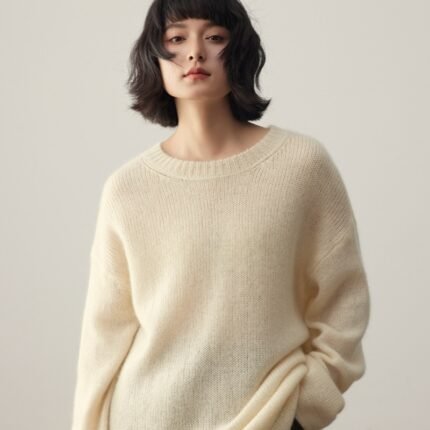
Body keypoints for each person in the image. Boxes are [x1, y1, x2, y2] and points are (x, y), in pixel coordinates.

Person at [70, 1, 371, 429]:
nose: (195, 52)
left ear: (240, 52)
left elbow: (344, 300)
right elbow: (104, 335)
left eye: (214, 37)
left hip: (268, 415)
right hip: (143, 416)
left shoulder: (301, 166)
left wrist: (307, 405)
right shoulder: (127, 189)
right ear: (154, 57)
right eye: (176, 39)